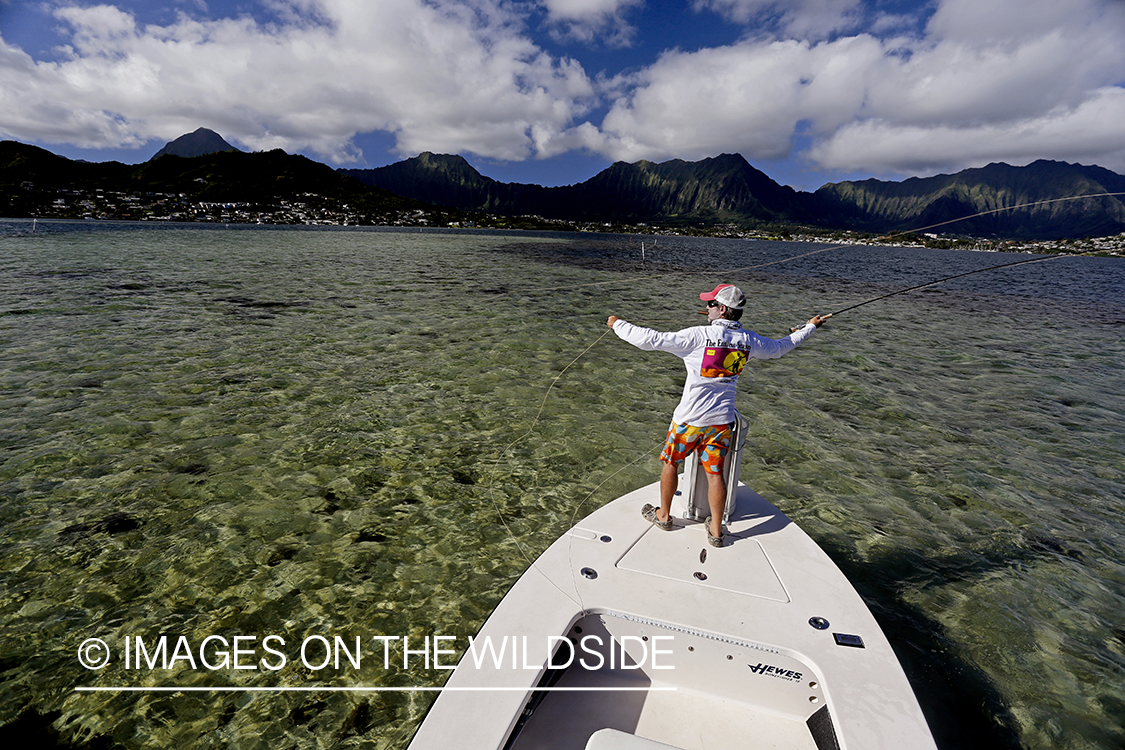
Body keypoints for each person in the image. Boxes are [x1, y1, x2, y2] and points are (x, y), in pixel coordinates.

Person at [607, 284, 828, 547]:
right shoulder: (749, 340)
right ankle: (715, 530)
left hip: (688, 421)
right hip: (721, 423)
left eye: (711, 304)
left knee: (670, 463)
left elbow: (650, 339)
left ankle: (664, 516)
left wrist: (617, 324)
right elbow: (781, 346)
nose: (707, 308)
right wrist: (810, 327)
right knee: (715, 475)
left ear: (722, 309)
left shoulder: (698, 335)